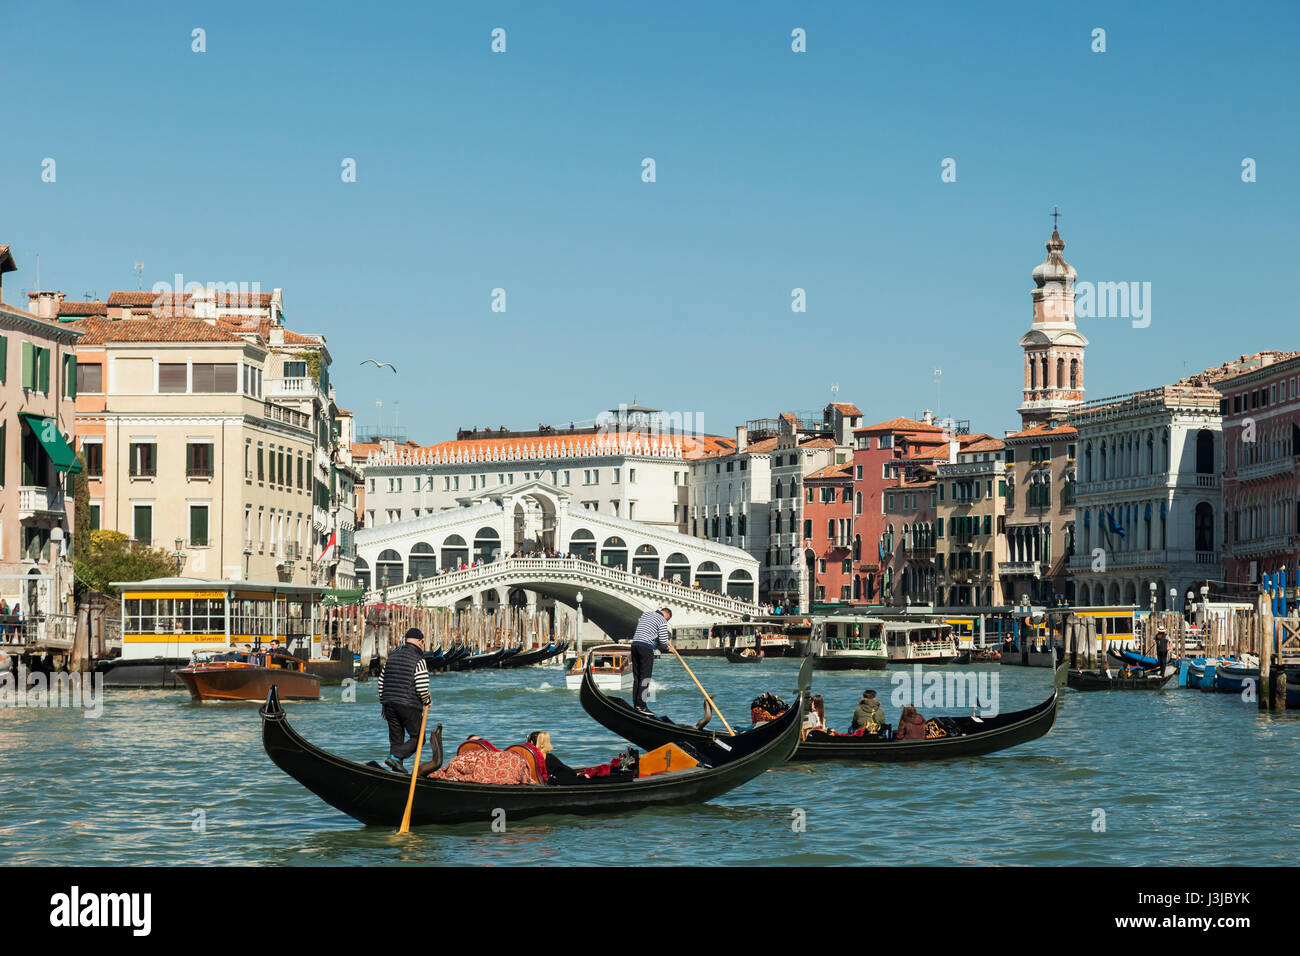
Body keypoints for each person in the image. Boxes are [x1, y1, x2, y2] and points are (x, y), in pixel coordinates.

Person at [377, 628, 431, 773]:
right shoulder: (419, 660)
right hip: (408, 704)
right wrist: (426, 700)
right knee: (419, 738)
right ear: (420, 642)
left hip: (388, 703)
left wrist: (383, 703)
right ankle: (395, 758)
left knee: (396, 739)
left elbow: (381, 682)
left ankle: (397, 768)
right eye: (422, 642)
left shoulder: (391, 658)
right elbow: (421, 687)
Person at [630, 606, 672, 713]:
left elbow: (647, 630)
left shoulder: (646, 614)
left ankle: (636, 704)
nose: (666, 621)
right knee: (645, 677)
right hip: (645, 647)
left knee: (637, 677)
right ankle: (642, 705)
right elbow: (663, 640)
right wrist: (668, 648)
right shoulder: (662, 620)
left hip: (634, 645)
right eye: (668, 620)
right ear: (667, 616)